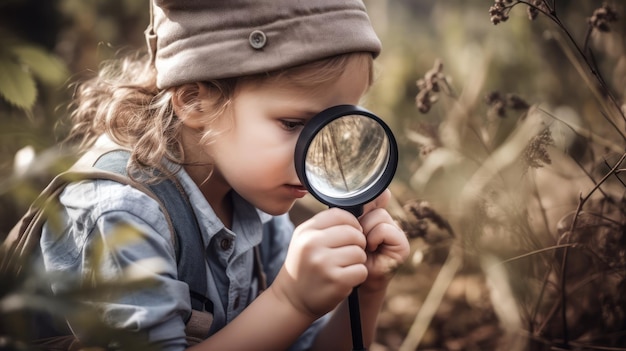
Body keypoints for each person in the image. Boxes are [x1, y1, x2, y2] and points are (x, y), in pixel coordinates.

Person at [38, 0, 410, 350]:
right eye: (293, 123)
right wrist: (291, 301)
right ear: (194, 101)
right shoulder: (122, 213)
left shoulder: (254, 197)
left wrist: (365, 290)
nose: (316, 159)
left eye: (337, 123)